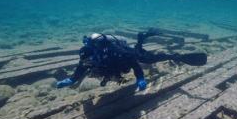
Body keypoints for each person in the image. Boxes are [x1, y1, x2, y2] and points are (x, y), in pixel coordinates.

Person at [56, 29, 207, 90]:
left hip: (128, 57)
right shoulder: (87, 53)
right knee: (139, 52)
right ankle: (141, 39)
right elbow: (81, 66)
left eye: (94, 55)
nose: (90, 58)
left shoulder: (116, 51)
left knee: (147, 59)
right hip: (115, 65)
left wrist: (140, 78)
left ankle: (175, 56)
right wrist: (72, 79)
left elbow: (135, 65)